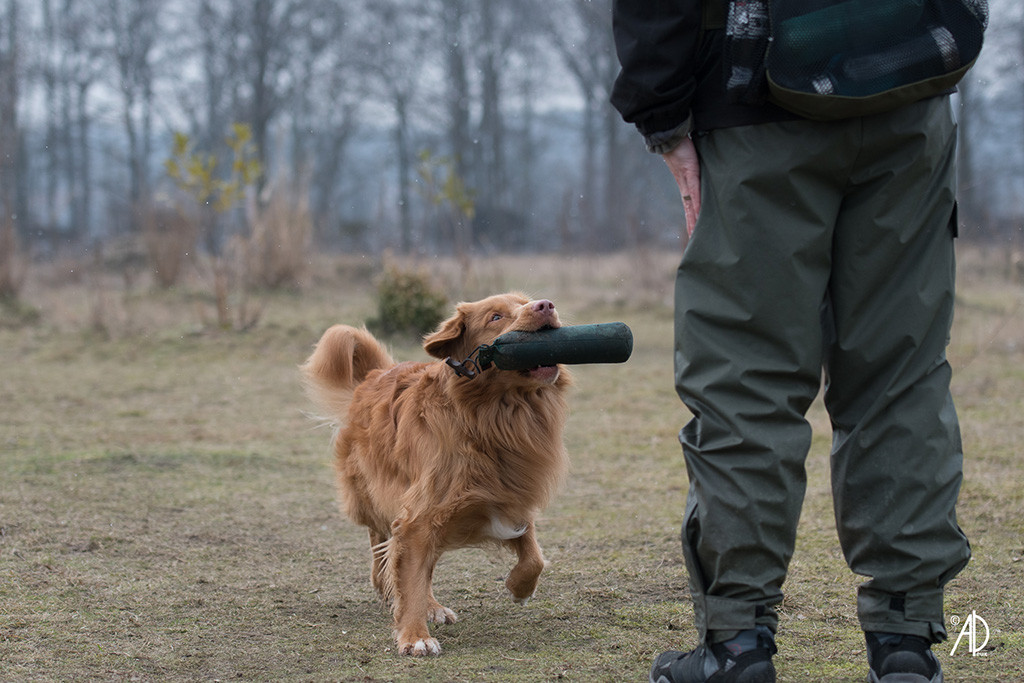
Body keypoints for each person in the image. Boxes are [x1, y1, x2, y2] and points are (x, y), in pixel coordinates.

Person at [610, 2, 973, 682]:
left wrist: (661, 110)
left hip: (757, 100)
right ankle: (905, 638)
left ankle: (738, 643)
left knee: (746, 381)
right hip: (908, 81)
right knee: (902, 374)